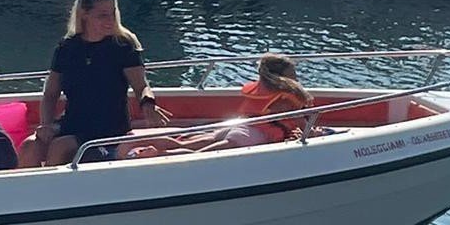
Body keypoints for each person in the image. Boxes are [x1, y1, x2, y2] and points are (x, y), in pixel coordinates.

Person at [18, 0, 170, 167]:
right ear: (84, 14)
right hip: (74, 122)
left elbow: (141, 86)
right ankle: (25, 192)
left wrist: (148, 104)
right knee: (30, 146)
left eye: (113, 13)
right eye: (103, 15)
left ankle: (54, 193)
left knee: (59, 147)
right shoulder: (67, 48)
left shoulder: (122, 46)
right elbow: (51, 93)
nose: (110, 20)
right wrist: (46, 125)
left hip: (108, 127)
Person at [123, 54, 315, 158]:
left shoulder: (267, 89)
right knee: (197, 154)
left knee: (186, 142)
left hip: (237, 126)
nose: (296, 78)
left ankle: (150, 145)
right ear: (283, 77)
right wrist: (314, 133)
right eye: (293, 74)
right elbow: (301, 124)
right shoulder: (287, 99)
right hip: (250, 136)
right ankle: (158, 154)